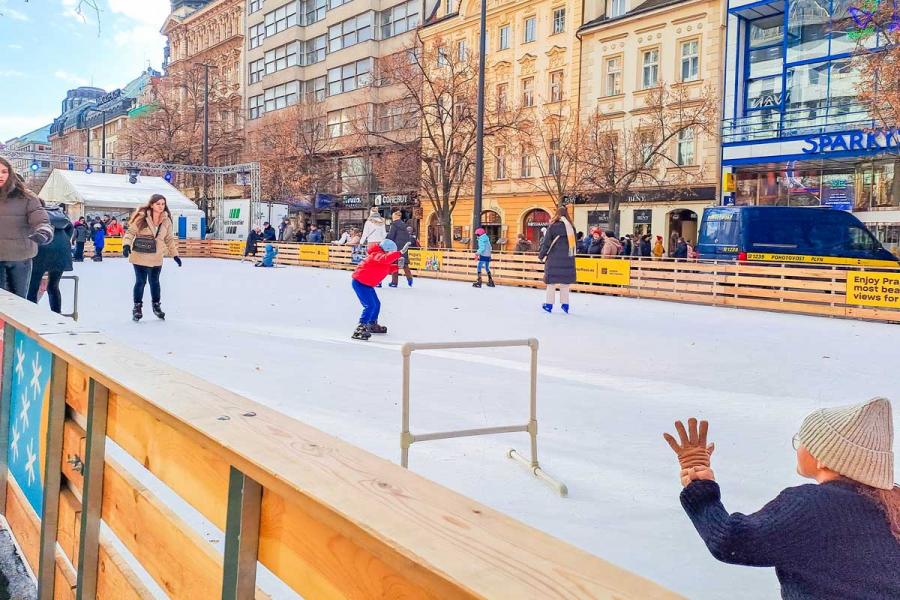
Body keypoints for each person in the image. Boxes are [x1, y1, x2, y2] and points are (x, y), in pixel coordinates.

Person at [664, 399, 899, 599]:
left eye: (803, 440)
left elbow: (731, 541)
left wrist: (699, 486)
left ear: (825, 456)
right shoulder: (892, 507)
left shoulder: (812, 505)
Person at [122, 194, 182, 321]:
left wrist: (175, 255)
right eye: (158, 204)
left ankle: (156, 306)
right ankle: (137, 307)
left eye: (163, 204)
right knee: (140, 281)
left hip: (156, 256)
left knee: (155, 282)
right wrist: (126, 245)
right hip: (140, 255)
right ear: (151, 205)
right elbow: (130, 232)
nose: (161, 206)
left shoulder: (166, 220)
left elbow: (169, 239)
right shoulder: (141, 217)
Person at [0, 159, 52, 297]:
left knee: (17, 302)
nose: (0, 175)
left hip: (19, 257)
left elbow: (40, 218)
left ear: (10, 173)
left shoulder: (27, 197)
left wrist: (43, 231)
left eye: (4, 171)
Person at [350, 239, 406, 340]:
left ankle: (372, 324)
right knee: (370, 306)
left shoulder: (380, 257)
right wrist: (399, 253)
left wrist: (397, 267)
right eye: (391, 252)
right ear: (387, 250)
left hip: (367, 284)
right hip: (360, 283)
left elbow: (386, 268)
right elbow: (385, 259)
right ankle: (360, 328)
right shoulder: (376, 255)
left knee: (376, 304)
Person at [27, 204, 73, 314]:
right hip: (62, 252)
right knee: (53, 286)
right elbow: (70, 229)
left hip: (42, 252)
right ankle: (57, 313)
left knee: (33, 286)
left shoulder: (36, 214)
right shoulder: (60, 215)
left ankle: (31, 315)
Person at [539, 205, 576, 313]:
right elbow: (575, 245)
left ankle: (549, 305)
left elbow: (546, 243)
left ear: (557, 215)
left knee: (551, 283)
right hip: (568, 259)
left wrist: (541, 255)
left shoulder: (553, 226)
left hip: (554, 259)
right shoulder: (571, 227)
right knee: (565, 283)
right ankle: (565, 305)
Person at [386, 211, 413, 287]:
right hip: (404, 246)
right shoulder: (405, 225)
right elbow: (408, 236)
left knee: (394, 263)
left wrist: (386, 239)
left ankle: (394, 282)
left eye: (393, 216)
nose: (392, 217)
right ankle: (409, 278)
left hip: (396, 246)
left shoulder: (394, 225)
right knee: (404, 263)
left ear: (395, 216)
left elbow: (391, 236)